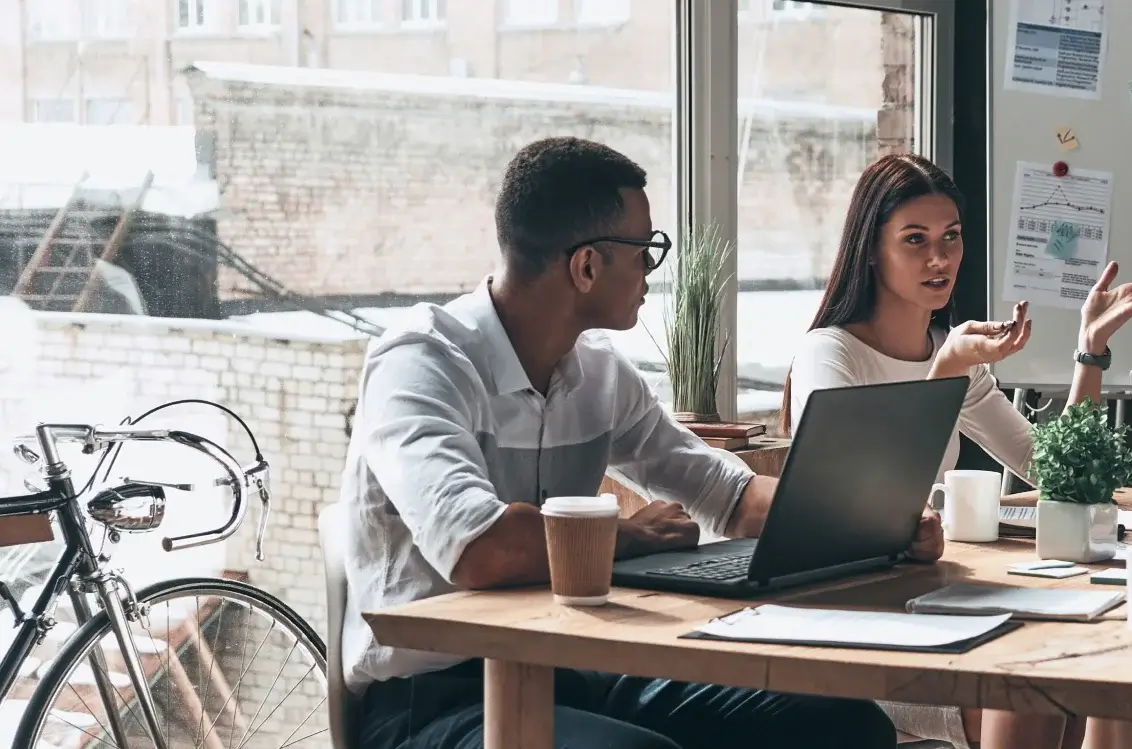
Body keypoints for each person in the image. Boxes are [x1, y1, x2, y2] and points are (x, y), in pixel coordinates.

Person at [340, 137, 913, 749]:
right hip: (432, 699)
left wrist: (876, 519)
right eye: (645, 251)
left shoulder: (600, 373)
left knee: (841, 723)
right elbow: (480, 548)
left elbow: (726, 493)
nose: (649, 270)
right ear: (586, 266)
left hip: (576, 668)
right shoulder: (422, 362)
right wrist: (630, 538)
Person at [784, 152, 1132, 749]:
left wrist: (1090, 349)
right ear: (871, 250)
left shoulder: (950, 351)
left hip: (938, 597)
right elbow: (858, 502)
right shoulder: (830, 354)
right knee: (1029, 691)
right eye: (914, 240)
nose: (939, 259)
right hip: (857, 619)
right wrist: (947, 367)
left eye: (951, 238)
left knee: (1099, 676)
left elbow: (1055, 471)